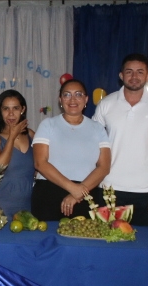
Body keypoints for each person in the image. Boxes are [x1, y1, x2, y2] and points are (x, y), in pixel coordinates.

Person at [92, 54, 148, 226]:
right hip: (109, 188)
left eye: (140, 72)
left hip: (147, 191)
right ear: (121, 75)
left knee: (144, 242)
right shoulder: (106, 104)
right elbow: (92, 145)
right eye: (129, 71)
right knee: (109, 241)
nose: (134, 76)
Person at [32, 79, 110, 220]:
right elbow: (40, 163)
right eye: (67, 94)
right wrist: (73, 188)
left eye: (78, 94)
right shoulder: (48, 125)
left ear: (86, 99)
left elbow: (104, 167)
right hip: (49, 193)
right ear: (60, 99)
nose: (72, 99)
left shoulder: (98, 128)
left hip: (87, 195)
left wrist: (79, 192)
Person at [0, 89, 35, 216]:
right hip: (2, 205)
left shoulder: (31, 134)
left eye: (15, 108)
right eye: (6, 109)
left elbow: (41, 165)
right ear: (0, 111)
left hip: (30, 204)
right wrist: (11, 137)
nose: (11, 113)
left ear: (23, 109)